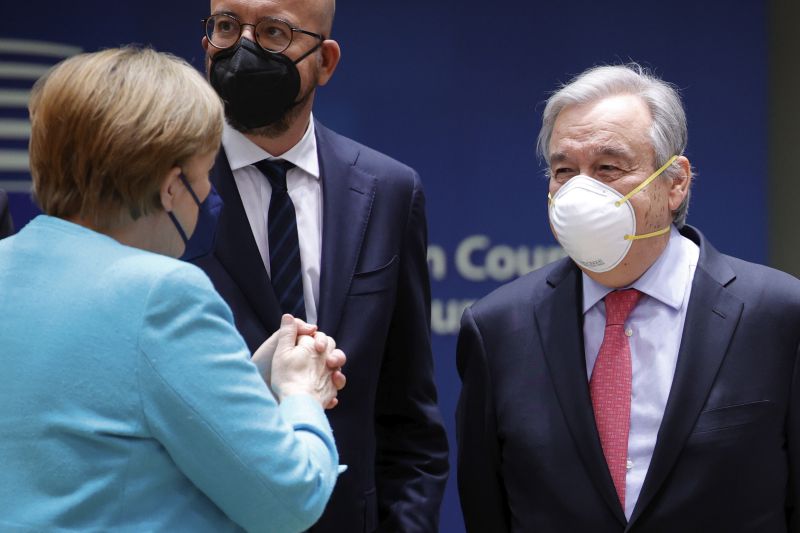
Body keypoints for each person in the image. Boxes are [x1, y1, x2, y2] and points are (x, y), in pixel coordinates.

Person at [0, 46, 348, 532]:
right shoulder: (162, 296)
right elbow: (291, 499)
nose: (209, 194)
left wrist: (243, 380)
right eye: (204, 174)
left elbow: (106, 418)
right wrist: (300, 392)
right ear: (170, 188)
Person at [456, 64, 800, 532]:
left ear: (676, 183)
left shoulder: (777, 315)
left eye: (608, 168)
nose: (580, 192)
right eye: (564, 171)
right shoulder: (498, 329)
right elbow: (486, 507)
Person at [185, 1, 449, 531]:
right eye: (227, 26)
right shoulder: (163, 186)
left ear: (325, 61)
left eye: (274, 33)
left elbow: (408, 417)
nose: (244, 48)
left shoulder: (388, 190)